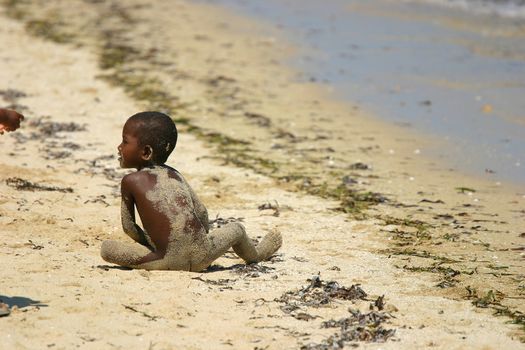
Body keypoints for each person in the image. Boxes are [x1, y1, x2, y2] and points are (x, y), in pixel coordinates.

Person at [100, 111, 282, 271]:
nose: (120, 147)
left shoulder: (130, 181)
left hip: (164, 261)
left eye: (124, 142)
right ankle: (256, 255)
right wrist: (199, 245)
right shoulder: (175, 175)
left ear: (146, 152)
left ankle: (165, 254)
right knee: (236, 229)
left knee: (107, 249)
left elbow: (129, 228)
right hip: (203, 256)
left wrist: (155, 244)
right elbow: (202, 212)